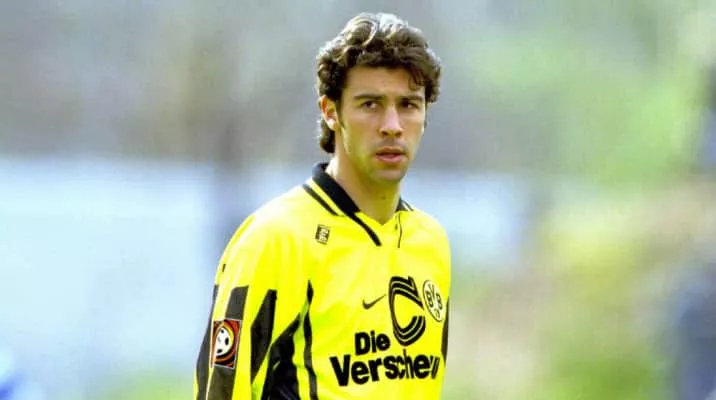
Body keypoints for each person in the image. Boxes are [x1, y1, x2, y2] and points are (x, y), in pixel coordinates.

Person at [194, 12, 451, 400]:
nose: (392, 125)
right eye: (370, 104)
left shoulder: (431, 242)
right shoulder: (275, 240)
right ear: (331, 112)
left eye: (408, 105)